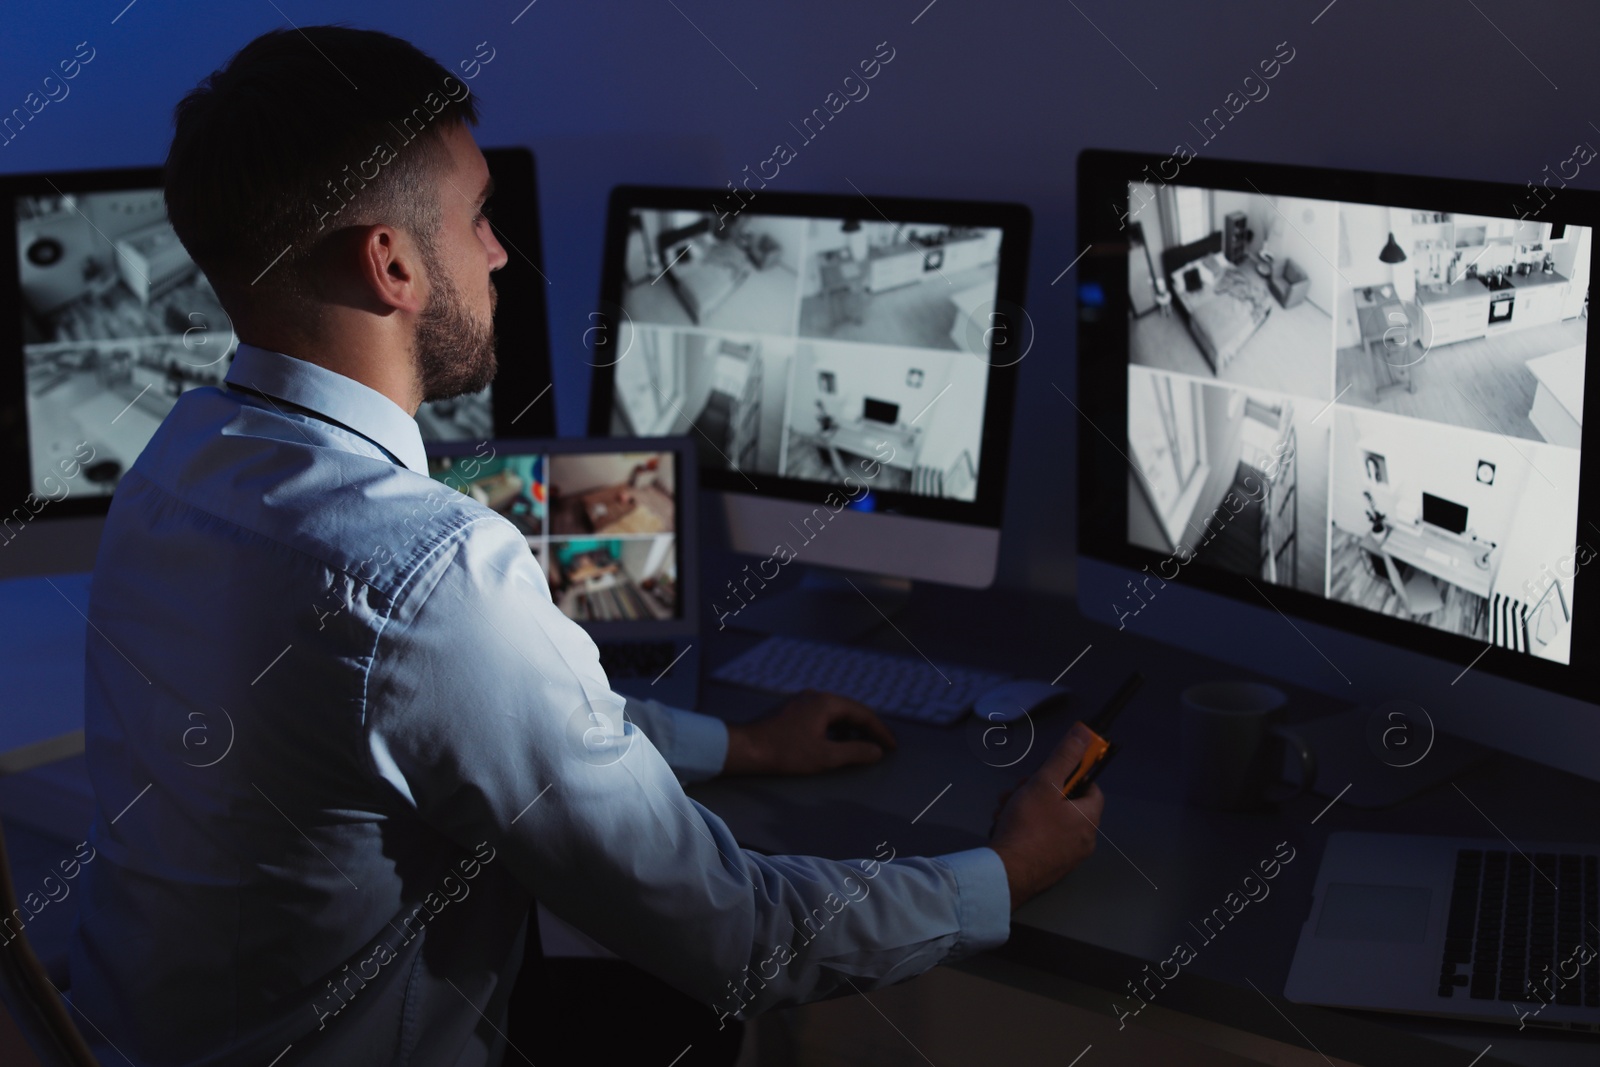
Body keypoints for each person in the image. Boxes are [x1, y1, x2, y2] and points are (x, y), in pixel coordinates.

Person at [66, 26, 1105, 1066]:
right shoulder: (432, 572)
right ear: (391, 264)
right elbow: (735, 933)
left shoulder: (177, 465)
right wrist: (1003, 871)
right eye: (477, 218)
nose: (498, 252)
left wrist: (740, 745)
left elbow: (478, 705)